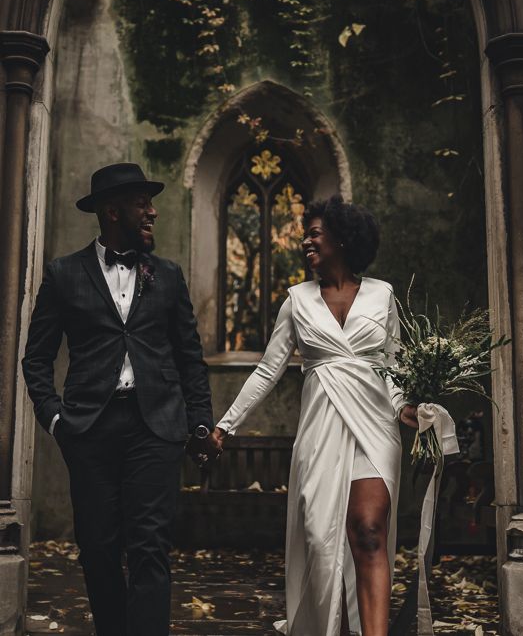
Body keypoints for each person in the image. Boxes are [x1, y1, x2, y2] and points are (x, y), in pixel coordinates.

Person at [22, 163, 219, 636]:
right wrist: (56, 422)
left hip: (156, 429)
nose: (152, 212)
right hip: (89, 429)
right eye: (141, 203)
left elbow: (191, 359)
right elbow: (36, 359)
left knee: (151, 546)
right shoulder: (64, 274)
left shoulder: (168, 276)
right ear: (112, 211)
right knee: (97, 548)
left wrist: (198, 423)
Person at [213, 194, 419, 636]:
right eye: (305, 235)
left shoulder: (383, 295)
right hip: (321, 426)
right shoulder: (297, 301)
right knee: (322, 543)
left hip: (375, 425)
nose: (306, 242)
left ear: (343, 239)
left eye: (314, 234)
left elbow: (394, 362)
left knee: (368, 532)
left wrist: (403, 405)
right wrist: (224, 425)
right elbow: (267, 371)